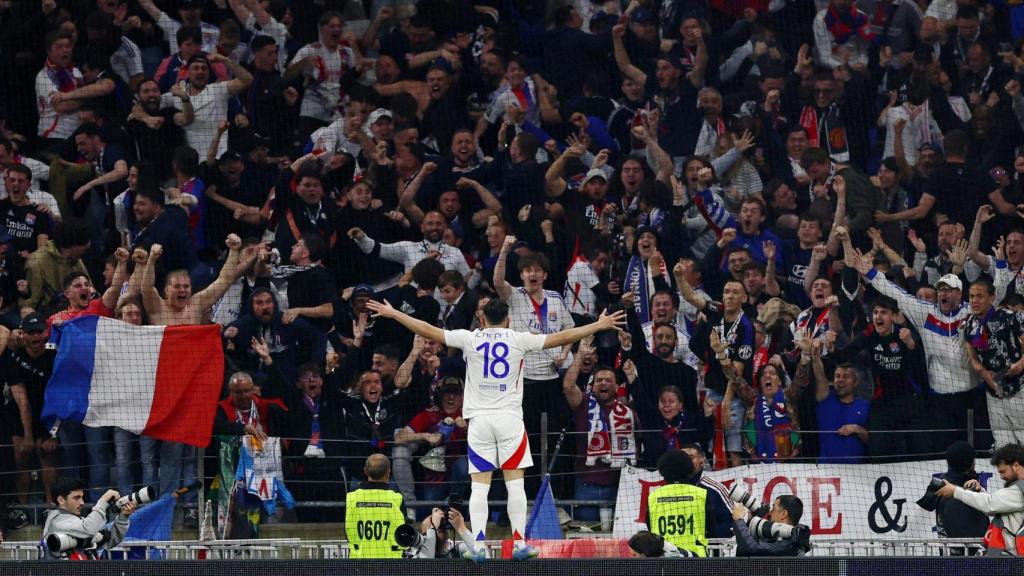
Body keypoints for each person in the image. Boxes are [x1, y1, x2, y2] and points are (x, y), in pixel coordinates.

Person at [366, 297, 625, 560]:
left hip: (480, 422)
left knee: (480, 487)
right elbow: (562, 336)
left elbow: (426, 329)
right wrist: (598, 324)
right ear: (508, 319)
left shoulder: (471, 338)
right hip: (509, 420)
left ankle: (478, 545)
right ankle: (519, 543)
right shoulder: (518, 338)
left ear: (482, 319)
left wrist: (394, 311)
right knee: (515, 485)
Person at [961, 279, 1024, 448]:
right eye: (971, 296)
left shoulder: (1010, 317)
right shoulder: (968, 327)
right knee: (1003, 444)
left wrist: (1021, 363)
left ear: (992, 298)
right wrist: (983, 373)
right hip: (993, 391)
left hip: (1019, 386)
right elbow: (973, 358)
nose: (974, 300)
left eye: (980, 296)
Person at [936, 443, 1024, 556]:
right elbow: (996, 506)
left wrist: (955, 491)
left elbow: (990, 504)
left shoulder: (1020, 490)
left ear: (1016, 466)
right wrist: (980, 492)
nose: (1001, 477)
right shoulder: (1017, 490)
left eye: (1003, 471)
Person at [41, 476, 136, 560]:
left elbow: (110, 541)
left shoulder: (76, 521)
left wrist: (123, 517)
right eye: (76, 498)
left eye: (82, 497)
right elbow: (88, 529)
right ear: (61, 500)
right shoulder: (56, 520)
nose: (82, 502)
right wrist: (103, 501)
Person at [646, 449, 714, 557]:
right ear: (689, 469)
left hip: (663, 559)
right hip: (696, 558)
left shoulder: (653, 496)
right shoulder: (701, 494)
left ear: (663, 470)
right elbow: (711, 527)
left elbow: (650, 527)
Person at [344, 453, 409, 559]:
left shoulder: (350, 498)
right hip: (392, 563)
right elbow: (404, 532)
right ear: (388, 472)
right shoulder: (397, 499)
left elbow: (347, 532)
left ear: (365, 471)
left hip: (359, 563)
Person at [933, 441, 988, 540]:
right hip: (966, 553)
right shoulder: (958, 493)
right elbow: (973, 535)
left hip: (950, 552)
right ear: (970, 463)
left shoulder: (944, 484)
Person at [732, 495, 811, 556]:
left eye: (773, 508)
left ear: (783, 514)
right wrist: (752, 522)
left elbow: (750, 548)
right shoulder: (784, 538)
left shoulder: (789, 543)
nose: (769, 513)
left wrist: (739, 519)